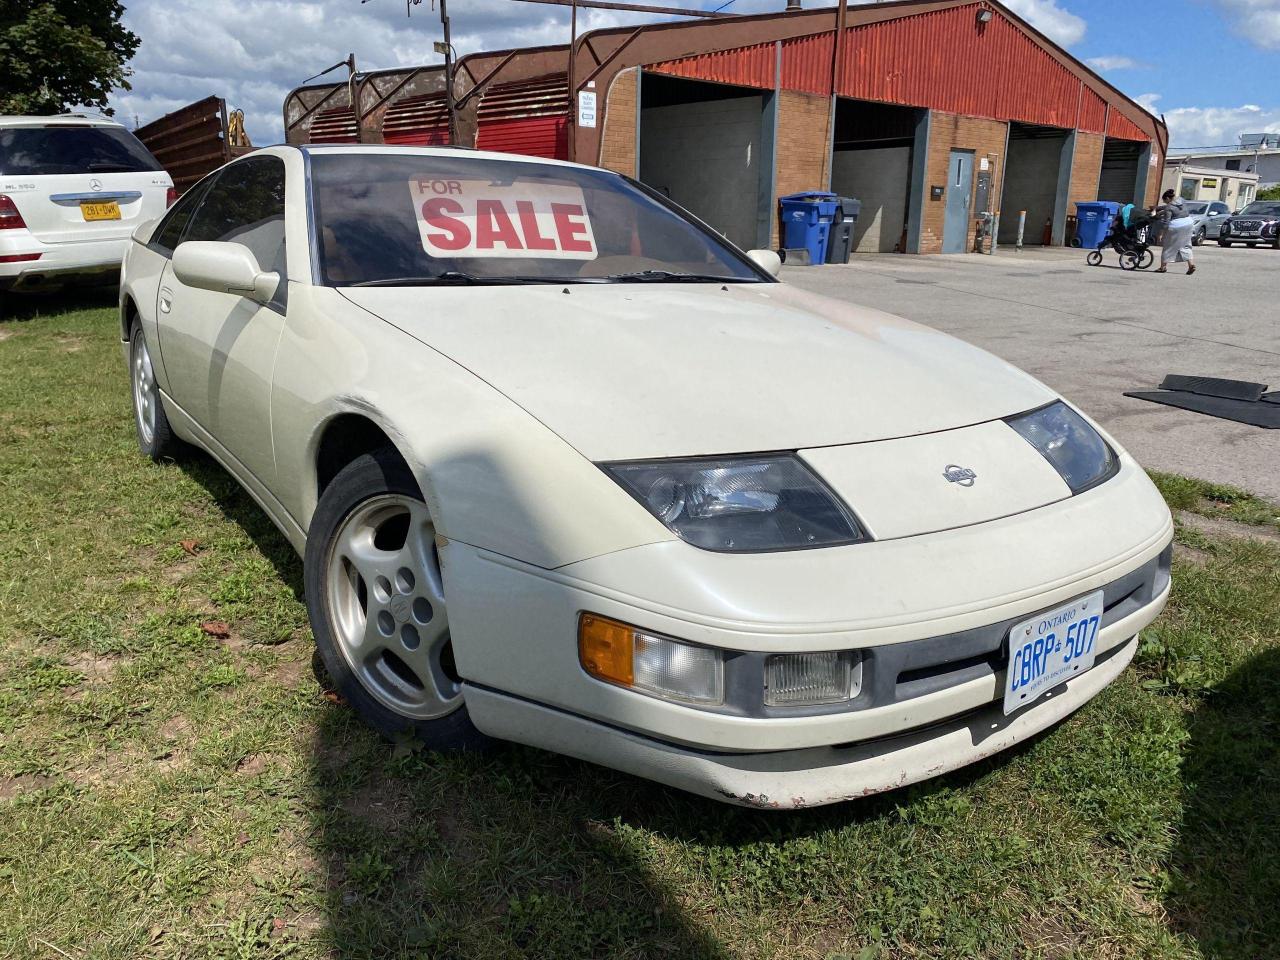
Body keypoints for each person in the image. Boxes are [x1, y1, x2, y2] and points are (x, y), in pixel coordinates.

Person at [1153, 189, 1196, 275]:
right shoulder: (1181, 200)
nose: (1165, 203)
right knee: (1186, 245)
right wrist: (1158, 208)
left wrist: (1161, 233)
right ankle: (1191, 265)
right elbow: (1172, 207)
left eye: (1165, 201)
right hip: (1189, 223)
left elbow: (1166, 222)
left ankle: (1163, 267)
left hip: (1176, 226)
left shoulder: (1169, 207)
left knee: (1168, 245)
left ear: (1168, 198)